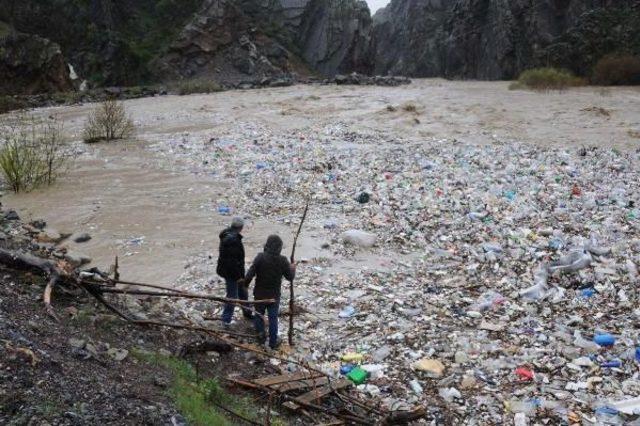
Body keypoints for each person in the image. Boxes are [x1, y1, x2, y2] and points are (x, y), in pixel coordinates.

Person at [240, 235, 295, 349]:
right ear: (279, 248)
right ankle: (273, 342)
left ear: (267, 245)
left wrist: (245, 285)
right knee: (273, 318)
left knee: (259, 315)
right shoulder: (283, 260)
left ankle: (260, 337)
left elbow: (250, 274)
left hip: (260, 294)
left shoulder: (260, 257)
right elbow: (290, 277)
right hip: (274, 296)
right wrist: (293, 269)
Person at [217, 217, 252, 325]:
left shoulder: (227, 235)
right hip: (232, 273)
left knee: (243, 292)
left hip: (229, 270)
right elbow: (233, 263)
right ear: (241, 228)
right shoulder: (233, 241)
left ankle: (247, 312)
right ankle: (225, 320)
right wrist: (239, 277)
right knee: (232, 297)